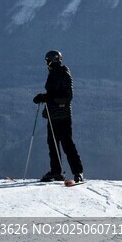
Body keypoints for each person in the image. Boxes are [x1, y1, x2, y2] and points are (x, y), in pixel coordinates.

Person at [33, 49, 84, 183]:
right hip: (53, 114)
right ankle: (57, 172)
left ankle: (77, 172)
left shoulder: (63, 73)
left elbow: (68, 97)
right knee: (53, 143)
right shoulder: (56, 73)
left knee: (67, 144)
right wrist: (45, 98)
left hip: (62, 116)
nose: (47, 64)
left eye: (47, 61)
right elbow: (55, 95)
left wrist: (47, 98)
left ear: (51, 61)